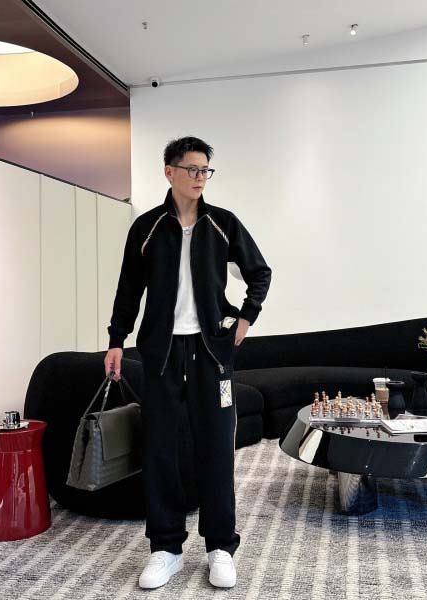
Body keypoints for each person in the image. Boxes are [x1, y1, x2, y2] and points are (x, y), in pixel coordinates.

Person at [104, 136, 271, 589]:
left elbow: (260, 272)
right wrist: (116, 339)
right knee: (160, 448)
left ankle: (220, 547)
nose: (200, 177)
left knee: (215, 447)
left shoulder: (223, 224)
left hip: (211, 352)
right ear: (170, 172)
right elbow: (128, 290)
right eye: (192, 169)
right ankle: (166, 549)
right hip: (160, 353)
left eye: (205, 170)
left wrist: (245, 317)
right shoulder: (146, 228)